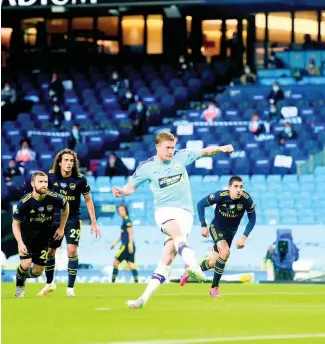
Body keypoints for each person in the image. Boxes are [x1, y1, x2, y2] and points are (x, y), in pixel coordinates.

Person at [111, 131, 234, 309]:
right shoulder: (147, 167)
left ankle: (142, 300)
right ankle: (194, 266)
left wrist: (221, 148)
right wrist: (122, 191)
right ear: (158, 146)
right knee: (175, 231)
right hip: (163, 210)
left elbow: (206, 151)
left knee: (168, 257)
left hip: (185, 212)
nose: (170, 151)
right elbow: (131, 187)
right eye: (167, 148)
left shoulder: (181, 157)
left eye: (173, 147)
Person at [37, 149, 101, 297]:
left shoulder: (80, 179)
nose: (68, 164)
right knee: (50, 252)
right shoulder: (50, 177)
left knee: (72, 251)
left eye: (71, 161)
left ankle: (70, 288)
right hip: (54, 219)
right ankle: (49, 283)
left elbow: (88, 199)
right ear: (60, 162)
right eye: (66, 160)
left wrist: (93, 221)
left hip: (73, 218)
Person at [180, 176, 256, 297]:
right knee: (225, 252)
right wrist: (203, 225)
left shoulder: (246, 199)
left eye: (241, 187)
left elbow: (252, 219)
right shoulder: (220, 195)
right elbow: (200, 204)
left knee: (214, 262)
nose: (238, 190)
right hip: (217, 227)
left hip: (231, 232)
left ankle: (191, 270)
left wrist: (244, 236)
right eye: (235, 187)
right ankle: (214, 288)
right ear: (229, 188)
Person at [12, 171, 69, 297]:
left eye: (45, 182)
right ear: (33, 184)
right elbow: (15, 223)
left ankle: (20, 276)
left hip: (43, 238)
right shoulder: (25, 202)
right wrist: (20, 243)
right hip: (27, 237)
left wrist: (61, 227)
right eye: (40, 182)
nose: (44, 184)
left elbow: (66, 206)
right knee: (26, 264)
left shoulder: (54, 197)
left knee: (38, 272)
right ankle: (19, 290)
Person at [110, 204, 138, 283]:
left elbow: (130, 233)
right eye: (119, 210)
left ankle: (112, 282)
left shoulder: (127, 221)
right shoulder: (125, 221)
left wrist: (130, 245)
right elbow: (122, 235)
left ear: (126, 210)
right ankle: (137, 282)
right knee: (130, 264)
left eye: (122, 210)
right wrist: (115, 243)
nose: (120, 212)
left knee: (115, 262)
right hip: (129, 245)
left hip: (126, 246)